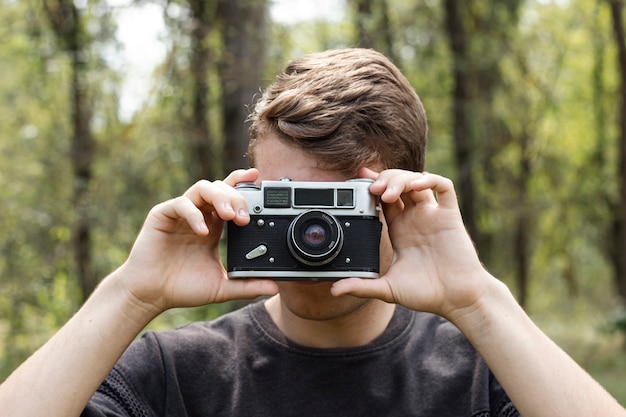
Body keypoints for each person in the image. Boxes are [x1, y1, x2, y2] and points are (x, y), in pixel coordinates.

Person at [0, 48, 624, 417]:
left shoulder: (483, 376)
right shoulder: (172, 376)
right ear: (243, 192)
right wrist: (131, 293)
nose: (312, 234)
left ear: (402, 199)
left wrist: (478, 299)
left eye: (338, 205)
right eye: (285, 201)